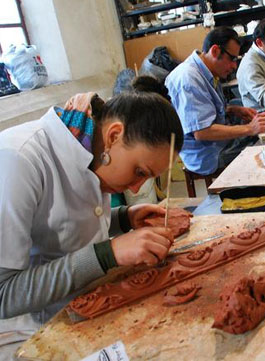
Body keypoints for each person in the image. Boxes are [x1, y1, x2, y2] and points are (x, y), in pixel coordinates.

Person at [0, 92, 184, 357]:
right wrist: (109, 253)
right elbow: (5, 295)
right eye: (139, 172)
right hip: (35, 331)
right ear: (113, 136)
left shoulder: (92, 147)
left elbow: (61, 230)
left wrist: (125, 218)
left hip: (89, 305)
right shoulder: (18, 162)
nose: (136, 186)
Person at [166, 26, 265, 176]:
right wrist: (250, 128)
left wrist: (232, 109)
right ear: (215, 51)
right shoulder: (188, 79)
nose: (234, 66)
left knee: (250, 114)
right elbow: (202, 132)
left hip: (215, 144)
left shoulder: (206, 70)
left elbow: (206, 109)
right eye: (232, 59)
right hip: (208, 155)